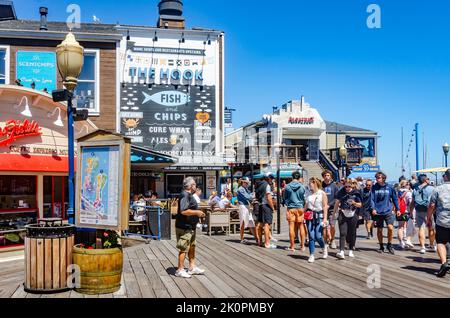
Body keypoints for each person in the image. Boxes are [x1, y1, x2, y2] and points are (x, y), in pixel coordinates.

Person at [175, 177, 206, 279]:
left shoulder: (189, 195)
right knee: (183, 248)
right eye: (195, 185)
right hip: (184, 227)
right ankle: (180, 270)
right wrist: (197, 212)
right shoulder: (184, 194)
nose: (196, 187)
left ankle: (192, 267)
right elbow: (183, 211)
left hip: (190, 227)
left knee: (192, 246)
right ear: (191, 186)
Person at [427, 169, 450, 277]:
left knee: (441, 242)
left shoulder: (438, 189)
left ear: (445, 177)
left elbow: (432, 205)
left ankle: (444, 263)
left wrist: (428, 218)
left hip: (443, 220)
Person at [371, 171, 399, 254]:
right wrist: (373, 209)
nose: (377, 179)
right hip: (378, 212)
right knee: (379, 230)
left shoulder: (390, 187)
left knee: (390, 228)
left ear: (383, 178)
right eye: (376, 178)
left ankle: (389, 244)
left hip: (388, 210)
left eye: (379, 177)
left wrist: (398, 209)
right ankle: (381, 246)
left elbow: (395, 199)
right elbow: (372, 199)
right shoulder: (374, 188)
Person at [334, 179, 362, 259]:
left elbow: (360, 205)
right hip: (343, 213)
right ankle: (341, 251)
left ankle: (350, 250)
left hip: (353, 214)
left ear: (352, 185)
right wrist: (334, 213)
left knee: (352, 233)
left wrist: (354, 203)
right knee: (343, 233)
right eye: (345, 186)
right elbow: (337, 203)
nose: (347, 188)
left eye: (349, 186)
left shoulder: (356, 193)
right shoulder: (341, 192)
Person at [410, 174, 436, 254]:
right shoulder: (432, 189)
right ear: (425, 180)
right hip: (429, 211)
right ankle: (431, 245)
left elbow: (412, 203)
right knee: (431, 228)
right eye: (428, 178)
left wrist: (411, 212)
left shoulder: (415, 189)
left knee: (421, 228)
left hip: (419, 210)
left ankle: (422, 247)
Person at [305, 178, 328, 263]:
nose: (309, 184)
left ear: (315, 183)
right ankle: (311, 255)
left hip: (319, 216)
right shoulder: (308, 193)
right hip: (310, 215)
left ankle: (323, 247)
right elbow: (306, 205)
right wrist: (302, 214)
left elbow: (325, 206)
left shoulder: (322, 193)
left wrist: (325, 219)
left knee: (318, 236)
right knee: (311, 236)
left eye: (310, 183)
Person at [284, 171, 307, 252]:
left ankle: (292, 246)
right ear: (299, 177)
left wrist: (288, 204)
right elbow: (304, 198)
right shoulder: (302, 187)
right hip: (300, 207)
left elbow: (285, 198)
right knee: (301, 226)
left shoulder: (287, 186)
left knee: (291, 226)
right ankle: (303, 246)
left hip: (291, 208)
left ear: (292, 177)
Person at [255, 174, 277, 249]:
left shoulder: (259, 184)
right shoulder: (267, 185)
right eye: (271, 179)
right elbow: (269, 198)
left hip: (260, 205)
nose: (272, 180)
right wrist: (272, 207)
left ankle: (260, 241)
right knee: (267, 225)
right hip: (266, 206)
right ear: (268, 179)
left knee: (260, 225)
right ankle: (267, 243)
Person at [322, 170, 340, 250]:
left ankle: (332, 240)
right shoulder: (321, 185)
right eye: (325, 175)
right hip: (322, 209)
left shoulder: (334, 186)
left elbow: (337, 198)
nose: (327, 177)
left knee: (332, 225)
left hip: (332, 209)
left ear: (331, 176)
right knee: (324, 226)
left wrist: (329, 204)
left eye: (328, 175)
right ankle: (325, 241)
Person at [236, 177, 257, 244]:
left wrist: (252, 194)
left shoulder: (245, 189)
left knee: (251, 223)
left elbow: (249, 196)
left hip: (246, 206)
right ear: (243, 182)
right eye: (246, 183)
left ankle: (257, 239)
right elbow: (248, 197)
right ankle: (242, 239)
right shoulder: (240, 189)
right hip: (243, 206)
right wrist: (254, 194)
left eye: (247, 183)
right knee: (243, 222)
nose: (247, 184)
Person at [397, 180, 413, 249]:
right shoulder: (408, 193)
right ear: (406, 185)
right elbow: (410, 202)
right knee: (408, 226)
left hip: (399, 211)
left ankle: (401, 242)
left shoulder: (397, 192)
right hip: (406, 211)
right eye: (408, 184)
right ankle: (406, 239)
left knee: (400, 226)